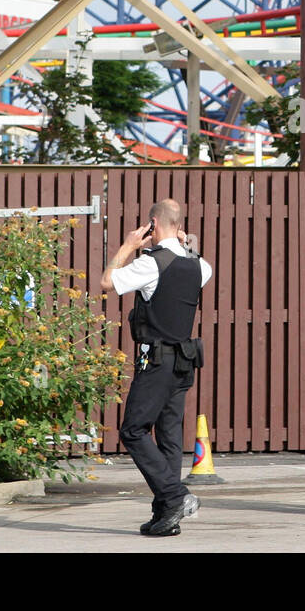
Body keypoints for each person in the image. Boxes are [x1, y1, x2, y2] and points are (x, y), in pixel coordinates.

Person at [100, 198, 212, 537]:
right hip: (184, 361)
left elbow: (107, 282)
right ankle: (165, 515)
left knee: (133, 430)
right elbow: (188, 269)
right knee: (168, 438)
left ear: (152, 224)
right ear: (180, 226)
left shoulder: (151, 264)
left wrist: (128, 245)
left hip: (157, 361)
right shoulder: (200, 266)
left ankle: (175, 496)